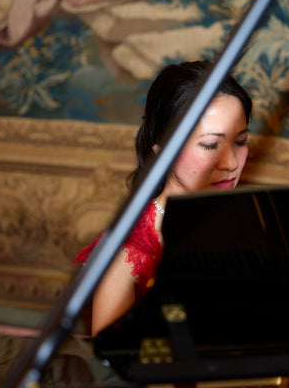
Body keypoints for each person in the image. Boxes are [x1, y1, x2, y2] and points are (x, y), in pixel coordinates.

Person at [74, 60, 253, 336]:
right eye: (210, 145)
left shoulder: (249, 220)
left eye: (240, 141)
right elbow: (118, 364)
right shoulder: (131, 250)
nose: (230, 162)